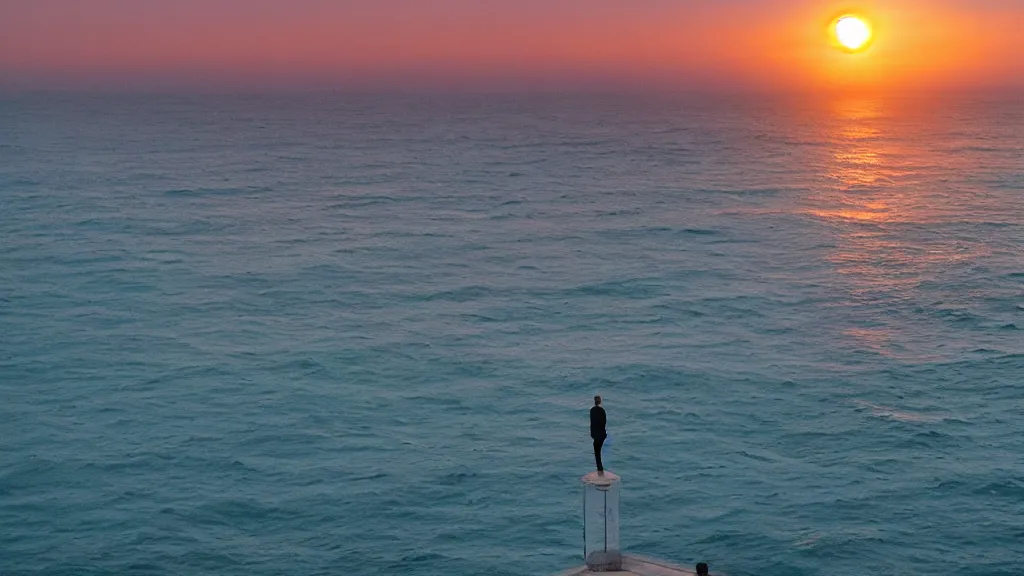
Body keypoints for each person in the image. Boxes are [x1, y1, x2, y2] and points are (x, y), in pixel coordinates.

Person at [590, 395, 607, 473]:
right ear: (600, 401)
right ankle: (600, 468)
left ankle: (600, 468)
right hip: (602, 435)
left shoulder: (592, 410)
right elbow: (604, 423)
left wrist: (593, 434)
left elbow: (592, 422)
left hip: (595, 435)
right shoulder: (602, 411)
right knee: (598, 451)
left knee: (597, 452)